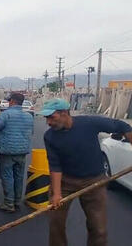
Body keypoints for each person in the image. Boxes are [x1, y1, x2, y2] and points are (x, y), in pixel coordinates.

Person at [38, 98, 132, 246]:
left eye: (51, 117)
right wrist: (56, 194)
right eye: (46, 118)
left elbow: (123, 126)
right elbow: (55, 165)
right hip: (65, 183)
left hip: (94, 181)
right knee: (56, 225)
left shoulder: (89, 123)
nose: (48, 122)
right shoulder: (50, 136)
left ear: (64, 113)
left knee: (98, 229)